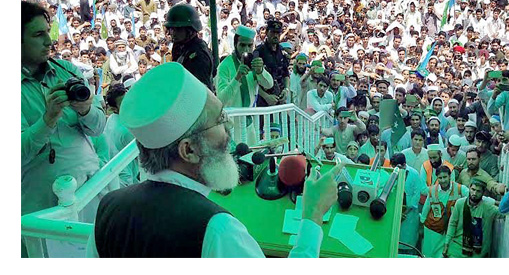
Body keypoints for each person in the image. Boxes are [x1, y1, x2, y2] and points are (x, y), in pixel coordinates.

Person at [87, 62, 344, 257]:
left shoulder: (109, 208)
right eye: (219, 120)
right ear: (188, 150)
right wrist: (312, 215)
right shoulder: (217, 230)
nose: (229, 125)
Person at [21, 1, 106, 256]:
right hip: (44, 208)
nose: (50, 40)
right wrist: (48, 119)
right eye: (38, 34)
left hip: (91, 192)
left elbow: (99, 127)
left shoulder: (66, 70)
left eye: (48, 31)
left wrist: (85, 109)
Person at [215, 25, 274, 144]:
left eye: (249, 45)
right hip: (231, 125)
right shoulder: (225, 66)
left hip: (249, 123)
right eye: (242, 45)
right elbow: (220, 100)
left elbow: (269, 85)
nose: (246, 49)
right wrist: (237, 78)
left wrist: (260, 71)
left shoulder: (254, 63)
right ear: (235, 44)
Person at [443, 179, 502, 258]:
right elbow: (452, 223)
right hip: (457, 248)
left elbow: (504, 212)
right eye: (473, 189)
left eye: (478, 191)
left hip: (477, 252)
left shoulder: (488, 208)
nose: (474, 193)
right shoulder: (460, 203)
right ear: (469, 188)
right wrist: (446, 243)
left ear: (483, 193)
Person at [164, 3, 216, 92]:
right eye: (172, 29)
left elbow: (201, 90)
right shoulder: (180, 46)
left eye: (178, 29)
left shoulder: (198, 55)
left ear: (190, 30)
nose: (174, 33)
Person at [421, 165, 468, 258]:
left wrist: (494, 202)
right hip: (433, 228)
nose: (443, 180)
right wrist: (422, 223)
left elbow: (473, 196)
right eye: (440, 178)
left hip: (452, 228)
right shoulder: (432, 190)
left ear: (450, 176)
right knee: (430, 254)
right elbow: (426, 208)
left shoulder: (460, 189)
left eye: (445, 177)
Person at [102, 83, 139, 187]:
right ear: (114, 109)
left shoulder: (111, 119)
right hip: (126, 180)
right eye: (124, 103)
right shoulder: (127, 130)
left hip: (113, 175)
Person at [391, 153, 426, 255]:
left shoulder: (414, 174)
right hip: (395, 210)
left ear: (404, 164)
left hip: (410, 213)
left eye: (398, 167)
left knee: (409, 241)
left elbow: (417, 193)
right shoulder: (392, 173)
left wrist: (405, 211)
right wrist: (397, 211)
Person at [254, 19, 290, 107]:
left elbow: (286, 74)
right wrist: (266, 96)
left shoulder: (282, 51)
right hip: (263, 100)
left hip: (280, 98)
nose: (275, 35)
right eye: (273, 32)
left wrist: (286, 89)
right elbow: (252, 79)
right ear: (266, 33)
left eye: (278, 33)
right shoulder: (259, 51)